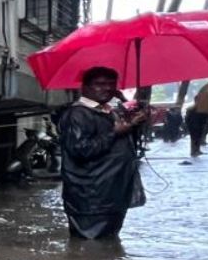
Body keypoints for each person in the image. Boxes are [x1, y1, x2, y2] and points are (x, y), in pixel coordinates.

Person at [57, 66, 147, 239]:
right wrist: (115, 132)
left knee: (108, 246)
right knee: (90, 248)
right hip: (91, 198)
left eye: (111, 84)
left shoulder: (108, 111)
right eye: (100, 84)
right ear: (85, 87)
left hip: (112, 194)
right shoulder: (77, 114)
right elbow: (80, 150)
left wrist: (133, 123)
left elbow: (121, 144)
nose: (106, 88)